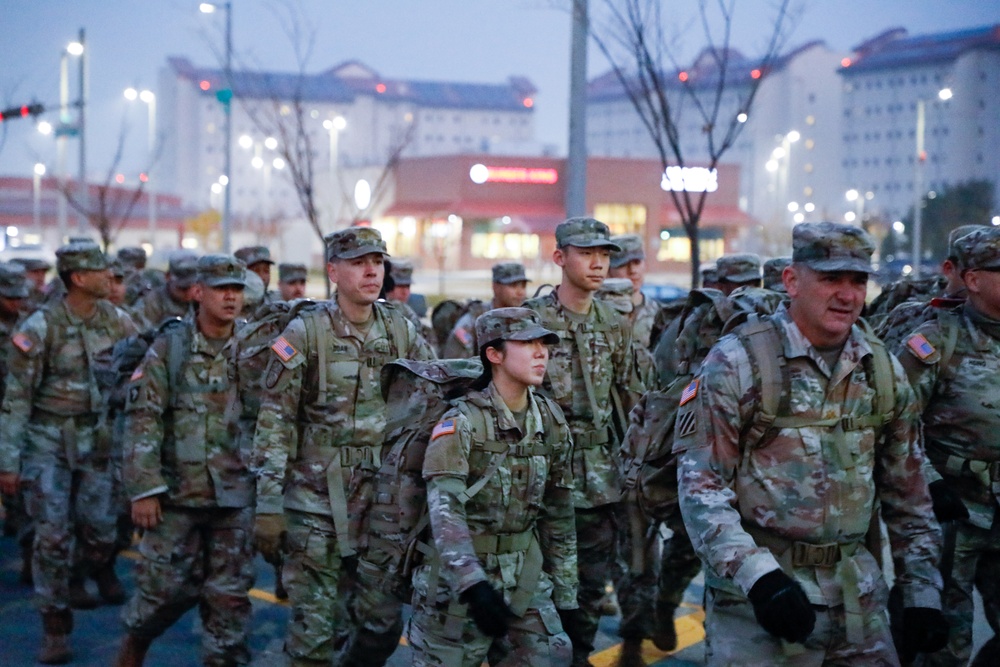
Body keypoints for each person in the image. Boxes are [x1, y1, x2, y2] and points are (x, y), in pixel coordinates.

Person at [675, 221, 946, 665]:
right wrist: (760, 578)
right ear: (792, 281)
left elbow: (909, 493)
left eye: (858, 281)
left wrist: (921, 591)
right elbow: (701, 485)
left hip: (858, 602)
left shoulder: (882, 371)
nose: (847, 294)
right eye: (831, 278)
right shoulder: (740, 362)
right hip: (757, 607)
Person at [251, 227, 435, 667]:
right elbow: (275, 421)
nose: (372, 271)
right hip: (314, 503)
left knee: (380, 626)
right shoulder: (305, 332)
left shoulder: (399, 326)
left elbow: (434, 388)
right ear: (333, 271)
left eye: (377, 262)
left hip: (381, 503)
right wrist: (268, 504)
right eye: (358, 263)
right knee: (315, 635)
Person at [408, 307, 577, 666]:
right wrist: (473, 584)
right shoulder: (460, 423)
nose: (541, 352)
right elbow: (445, 512)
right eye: (527, 343)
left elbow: (559, 513)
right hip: (455, 586)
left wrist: (566, 596)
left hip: (524, 579)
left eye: (544, 343)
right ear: (494, 354)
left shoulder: (551, 421)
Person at [0, 241, 138, 664]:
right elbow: (17, 399)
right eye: (101, 271)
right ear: (79, 278)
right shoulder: (40, 328)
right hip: (48, 444)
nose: (110, 278)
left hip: (97, 442)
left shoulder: (118, 322)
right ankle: (55, 625)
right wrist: (7, 462)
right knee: (52, 537)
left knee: (101, 531)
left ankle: (83, 572)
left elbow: (142, 371)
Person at [114, 254, 253, 667]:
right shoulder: (169, 347)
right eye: (220, 288)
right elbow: (143, 420)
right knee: (162, 592)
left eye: (237, 289)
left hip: (234, 496)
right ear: (197, 293)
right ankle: (134, 645)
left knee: (229, 599)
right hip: (176, 496)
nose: (230, 297)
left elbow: (273, 416)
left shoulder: (253, 348)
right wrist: (144, 489)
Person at [524, 217, 645, 667]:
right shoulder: (530, 323)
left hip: (598, 480)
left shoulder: (614, 324)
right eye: (586, 253)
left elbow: (635, 402)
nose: (598, 264)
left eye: (604, 254)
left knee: (590, 588)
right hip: (538, 477)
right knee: (532, 588)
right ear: (560, 258)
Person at [894, 226, 1000, 667]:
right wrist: (932, 484)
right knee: (941, 649)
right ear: (972, 279)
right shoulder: (936, 340)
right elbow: (894, 424)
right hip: (952, 518)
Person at [0, 263, 32, 583]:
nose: (16, 303)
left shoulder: (30, 326)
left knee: (23, 491)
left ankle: (28, 555)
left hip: (15, 414)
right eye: (8, 297)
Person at [441, 262, 529, 359]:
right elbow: (455, 367)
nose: (520, 292)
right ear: (496, 287)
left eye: (523, 286)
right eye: (513, 285)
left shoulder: (529, 320)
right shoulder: (473, 321)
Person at [609, 234, 663, 351]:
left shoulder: (659, 314)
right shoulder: (596, 311)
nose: (632, 271)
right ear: (609, 269)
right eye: (622, 265)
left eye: (637, 263)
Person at [132, 251, 198, 328]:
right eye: (183, 288)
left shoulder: (201, 300)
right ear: (168, 277)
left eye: (194, 287)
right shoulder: (152, 302)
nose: (189, 293)